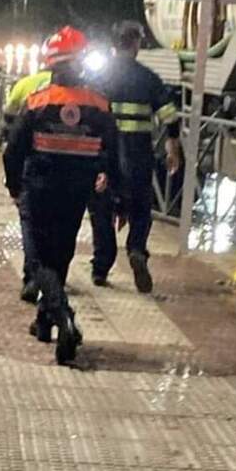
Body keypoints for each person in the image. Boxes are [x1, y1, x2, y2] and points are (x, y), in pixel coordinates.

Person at [3, 26, 120, 364]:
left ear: (51, 65)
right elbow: (113, 152)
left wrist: (14, 186)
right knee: (62, 254)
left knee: (39, 260)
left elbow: (13, 151)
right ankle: (44, 322)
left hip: (39, 189)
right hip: (77, 192)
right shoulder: (99, 105)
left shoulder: (38, 102)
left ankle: (63, 316)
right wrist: (110, 183)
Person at [87, 21, 181, 293]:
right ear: (136, 44)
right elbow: (169, 115)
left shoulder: (99, 78)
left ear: (114, 44)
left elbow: (88, 115)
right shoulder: (148, 78)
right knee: (140, 209)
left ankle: (101, 267)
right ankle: (137, 250)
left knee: (101, 211)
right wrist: (172, 146)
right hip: (138, 154)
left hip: (104, 155)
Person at [2, 57, 53, 304]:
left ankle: (34, 275)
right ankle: (51, 281)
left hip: (31, 161)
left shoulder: (26, 85)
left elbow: (9, 116)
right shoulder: (81, 92)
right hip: (70, 171)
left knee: (31, 221)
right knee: (59, 228)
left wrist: (13, 186)